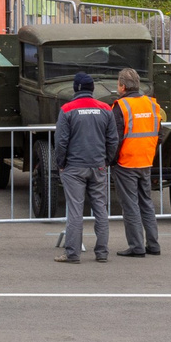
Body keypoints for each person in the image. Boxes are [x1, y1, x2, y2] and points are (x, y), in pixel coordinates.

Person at [53, 71, 117, 262]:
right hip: (98, 166)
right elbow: (113, 140)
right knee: (101, 210)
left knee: (75, 211)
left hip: (74, 167)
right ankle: (102, 253)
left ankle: (72, 253)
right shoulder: (105, 108)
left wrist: (61, 163)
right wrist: (106, 161)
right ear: (92, 89)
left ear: (76, 88)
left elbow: (61, 142)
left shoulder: (67, 109)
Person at [111, 67, 164, 257]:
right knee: (146, 203)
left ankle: (136, 246)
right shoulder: (151, 104)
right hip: (145, 161)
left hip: (126, 162)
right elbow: (159, 134)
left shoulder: (121, 106)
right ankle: (153, 244)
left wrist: (111, 160)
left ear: (122, 86)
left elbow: (115, 138)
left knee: (130, 206)